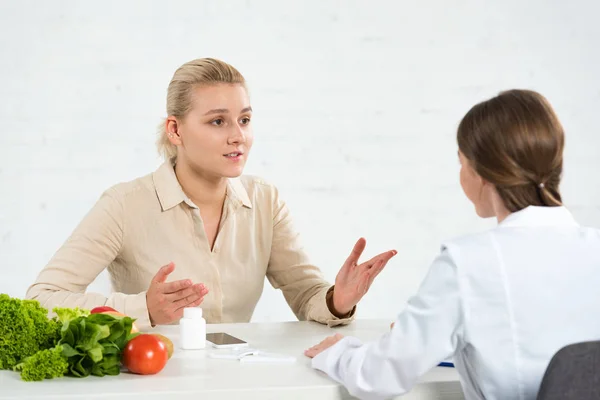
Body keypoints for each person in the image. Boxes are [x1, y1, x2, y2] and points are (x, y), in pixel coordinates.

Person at [26, 58, 397, 330]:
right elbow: (41, 299)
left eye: (245, 120)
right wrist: (143, 309)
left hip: (235, 382)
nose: (238, 135)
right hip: (153, 383)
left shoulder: (265, 201)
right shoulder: (124, 205)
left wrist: (338, 300)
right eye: (218, 121)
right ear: (175, 129)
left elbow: (305, 294)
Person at [304, 89, 600, 400]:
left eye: (461, 162)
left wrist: (339, 353)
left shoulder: (469, 262)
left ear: (482, 171)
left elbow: (380, 377)